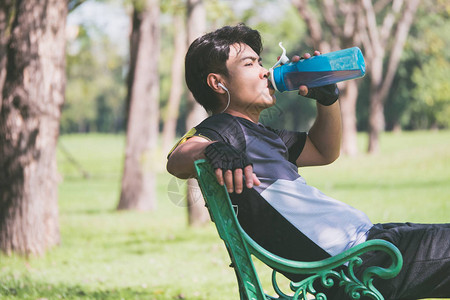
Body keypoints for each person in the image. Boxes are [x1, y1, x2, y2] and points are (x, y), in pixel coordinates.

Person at [166, 24, 450, 299]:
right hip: (357, 265)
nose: (266, 71)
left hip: (371, 244)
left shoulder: (261, 135)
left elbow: (324, 150)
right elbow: (178, 158)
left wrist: (327, 100)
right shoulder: (224, 129)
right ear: (218, 82)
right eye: (250, 64)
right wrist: (213, 151)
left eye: (260, 61)